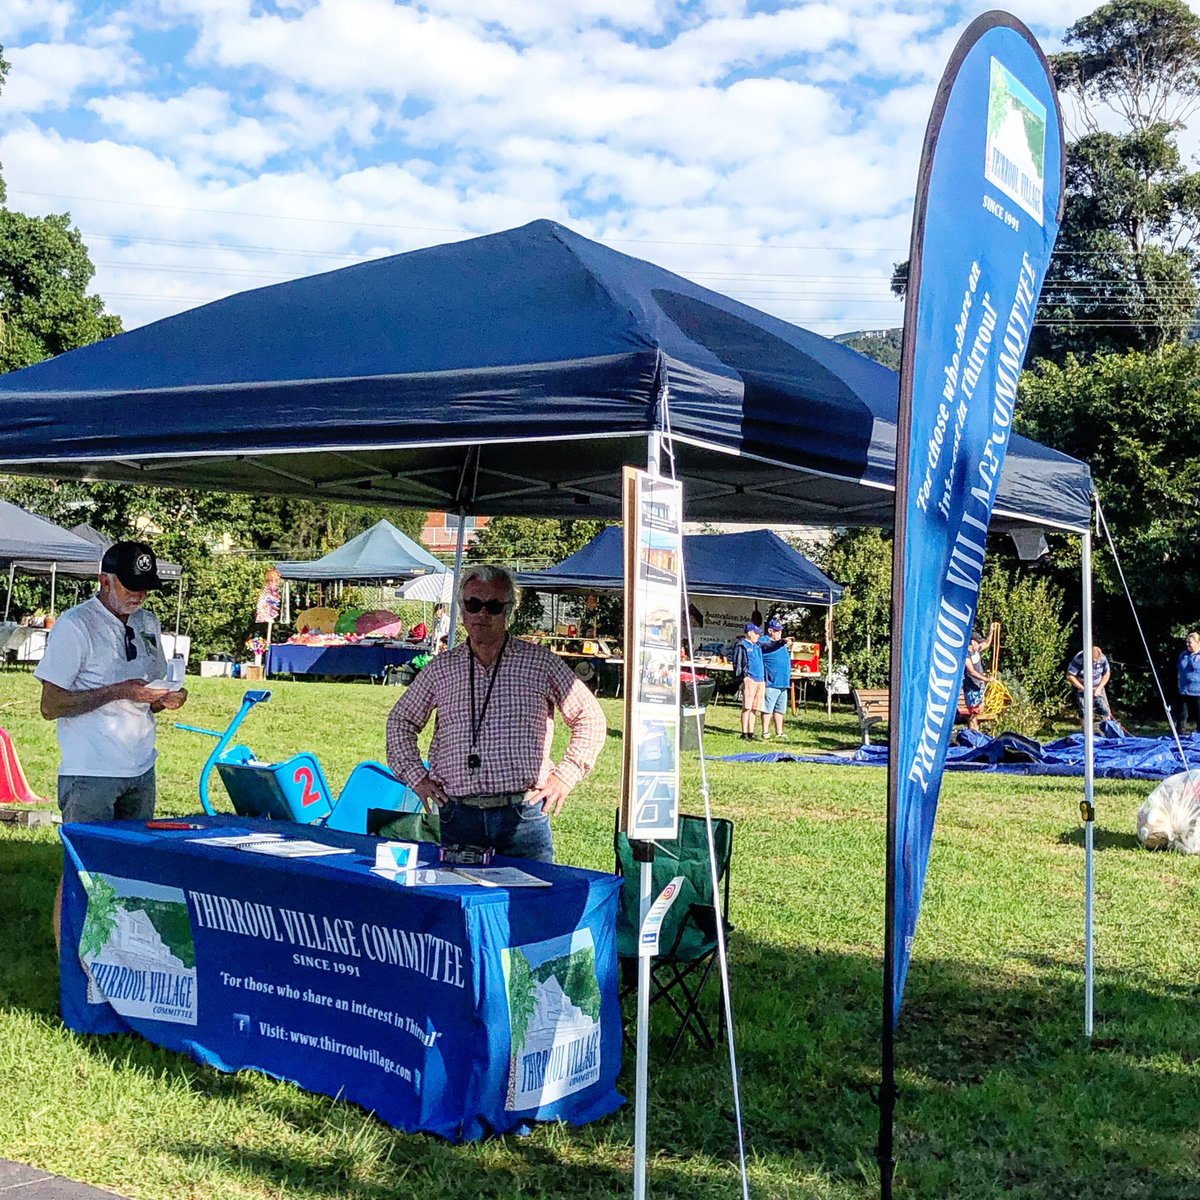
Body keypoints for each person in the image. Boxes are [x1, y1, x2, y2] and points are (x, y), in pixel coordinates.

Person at [385, 565, 606, 862]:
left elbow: (590, 717)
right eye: (473, 604)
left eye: (493, 606)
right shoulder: (442, 668)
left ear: (508, 611)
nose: (482, 614)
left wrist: (565, 777)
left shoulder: (540, 663)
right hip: (458, 815)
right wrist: (417, 778)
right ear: (462, 609)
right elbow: (400, 721)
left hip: (523, 815)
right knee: (458, 891)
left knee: (531, 894)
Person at [35, 541, 188, 946]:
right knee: (82, 870)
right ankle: (69, 964)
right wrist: (119, 691)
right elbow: (51, 705)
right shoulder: (76, 625)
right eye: (130, 585)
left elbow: (148, 689)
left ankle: (114, 957)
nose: (139, 595)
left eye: (146, 587)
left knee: (129, 872)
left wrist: (163, 699)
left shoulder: (148, 623)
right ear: (104, 581)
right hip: (91, 772)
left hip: (141, 767)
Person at [759, 618, 793, 741]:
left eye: (780, 631)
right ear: (770, 631)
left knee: (780, 709)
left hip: (783, 682)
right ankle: (765, 731)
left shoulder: (780, 643)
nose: (779, 633)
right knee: (768, 708)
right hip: (771, 682)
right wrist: (782, 642)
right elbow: (768, 647)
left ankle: (779, 732)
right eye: (776, 631)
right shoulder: (764, 641)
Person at [731, 622, 765, 740]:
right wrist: (742, 678)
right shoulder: (742, 645)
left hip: (760, 679)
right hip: (749, 678)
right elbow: (737, 663)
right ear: (750, 633)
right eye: (756, 633)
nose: (758, 636)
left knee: (755, 708)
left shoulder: (758, 646)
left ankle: (751, 732)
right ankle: (744, 732)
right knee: (747, 707)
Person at [1066, 644, 1112, 723]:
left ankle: (1107, 726)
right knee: (1084, 713)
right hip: (1083, 689)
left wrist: (1099, 688)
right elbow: (1070, 675)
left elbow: (1106, 673)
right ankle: (1085, 728)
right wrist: (1083, 688)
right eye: (1093, 661)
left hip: (1098, 687)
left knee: (1105, 711)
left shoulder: (1102, 658)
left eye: (1096, 661)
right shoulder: (1079, 658)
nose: (1095, 663)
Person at [962, 630, 988, 732]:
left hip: (979, 686)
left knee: (977, 712)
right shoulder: (966, 655)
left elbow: (987, 643)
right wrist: (986, 679)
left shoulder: (976, 651)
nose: (980, 644)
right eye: (978, 642)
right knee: (973, 713)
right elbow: (971, 671)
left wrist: (991, 631)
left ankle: (975, 733)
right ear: (973, 642)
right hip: (971, 688)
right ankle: (972, 734)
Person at [1175, 630, 1200, 734]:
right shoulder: (1183, 655)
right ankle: (1180, 732)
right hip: (1184, 689)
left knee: (1199, 714)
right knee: (1182, 714)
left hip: (1198, 690)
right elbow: (1180, 667)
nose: (1188, 644)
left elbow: (1196, 667)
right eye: (1187, 642)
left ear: (1198, 643)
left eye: (1190, 642)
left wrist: (1194, 657)